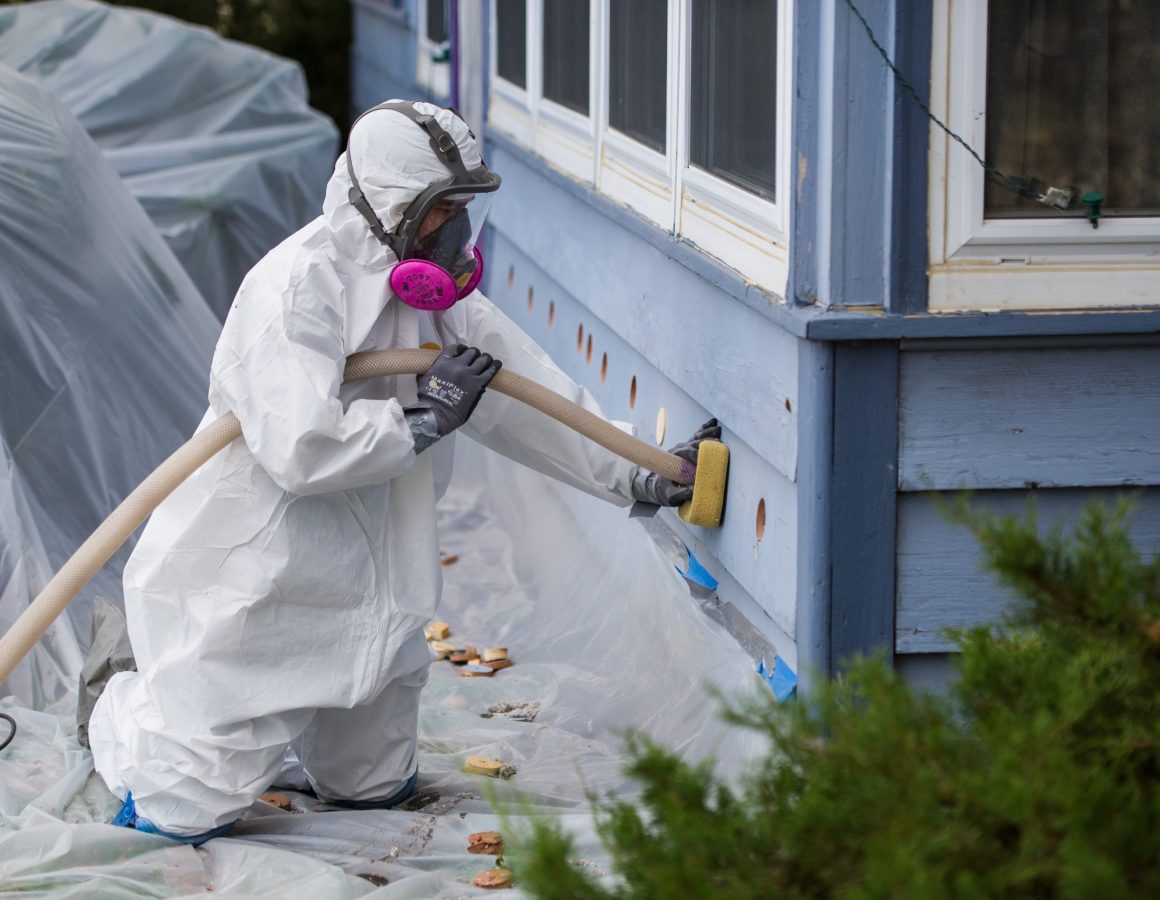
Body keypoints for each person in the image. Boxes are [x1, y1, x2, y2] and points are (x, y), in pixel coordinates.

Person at [87, 100, 719, 843]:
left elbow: (529, 394)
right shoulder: (295, 290)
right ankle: (115, 709)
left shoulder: (436, 299)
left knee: (372, 788)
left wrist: (639, 471)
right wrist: (423, 420)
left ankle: (324, 752)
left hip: (380, 585)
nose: (454, 232)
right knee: (183, 802)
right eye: (437, 211)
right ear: (384, 208)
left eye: (461, 207)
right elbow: (301, 449)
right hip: (262, 584)